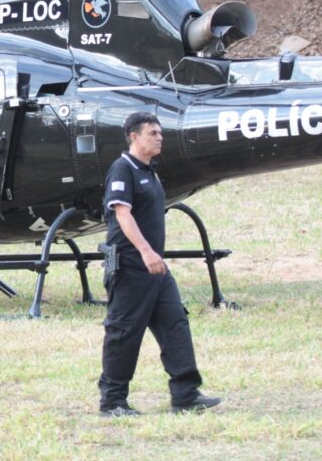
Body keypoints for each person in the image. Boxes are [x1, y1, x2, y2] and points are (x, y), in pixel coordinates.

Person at [98, 111, 220, 416]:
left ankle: (186, 395)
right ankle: (112, 402)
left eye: (160, 132)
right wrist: (146, 252)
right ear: (134, 136)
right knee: (124, 333)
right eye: (153, 132)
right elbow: (122, 215)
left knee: (175, 324)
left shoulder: (149, 171)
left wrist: (155, 257)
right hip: (131, 266)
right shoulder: (122, 169)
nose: (159, 137)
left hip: (155, 269)